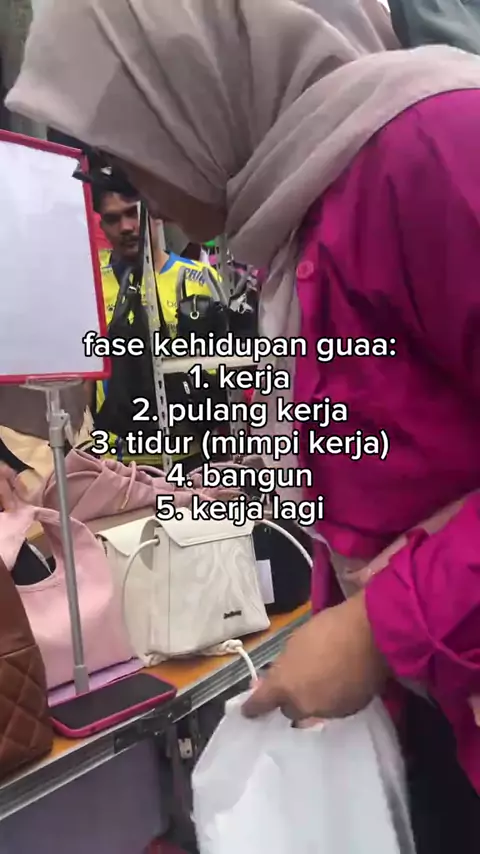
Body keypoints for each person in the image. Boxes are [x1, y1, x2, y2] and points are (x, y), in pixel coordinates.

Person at [7, 0, 480, 848]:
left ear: (190, 85)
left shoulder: (435, 150)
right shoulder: (309, 220)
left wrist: (380, 628)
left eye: (121, 154)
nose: (137, 197)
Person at [92, 186, 223, 468]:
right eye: (113, 219)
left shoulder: (202, 279)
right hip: (119, 459)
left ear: (154, 214)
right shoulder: (92, 284)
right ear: (101, 225)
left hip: (193, 452)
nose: (126, 227)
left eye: (133, 213)